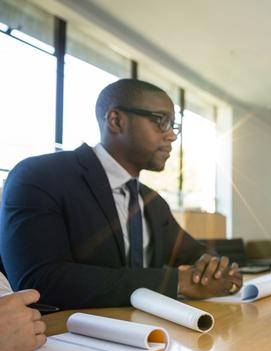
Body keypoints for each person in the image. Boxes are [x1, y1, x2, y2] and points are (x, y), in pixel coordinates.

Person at [0, 79, 243, 310]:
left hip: (153, 336)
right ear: (116, 121)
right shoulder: (39, 176)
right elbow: (38, 281)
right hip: (65, 339)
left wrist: (217, 269)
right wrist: (178, 282)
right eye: (161, 121)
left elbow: (193, 251)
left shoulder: (152, 202)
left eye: (173, 126)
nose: (171, 135)